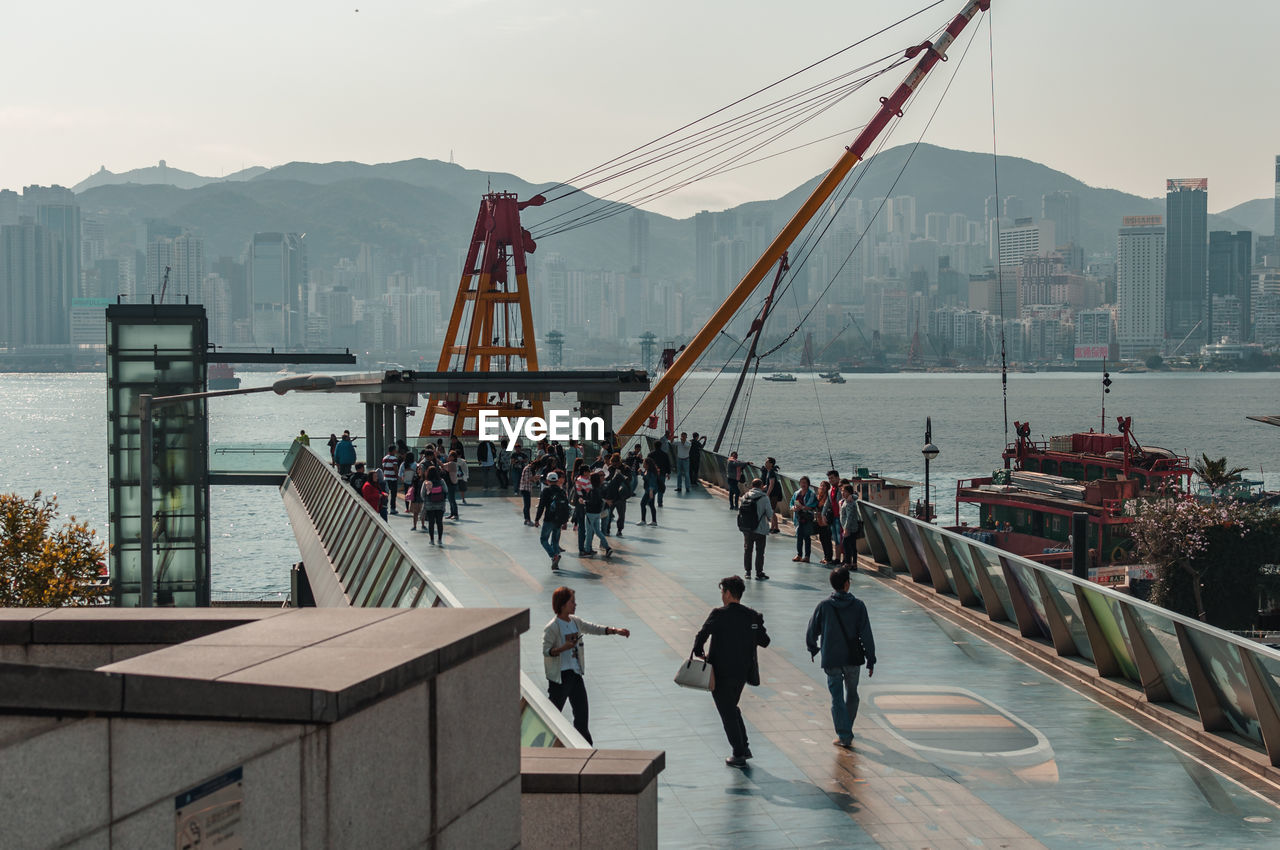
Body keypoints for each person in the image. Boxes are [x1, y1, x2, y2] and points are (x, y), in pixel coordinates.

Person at [693, 575, 771, 767]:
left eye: (722, 592)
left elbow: (701, 635)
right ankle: (744, 746)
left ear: (727, 593)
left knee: (726, 711)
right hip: (743, 672)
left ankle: (739, 753)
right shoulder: (752, 616)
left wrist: (699, 651)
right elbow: (765, 641)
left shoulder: (719, 614)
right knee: (731, 707)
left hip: (720, 672)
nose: (722, 595)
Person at [543, 586, 630, 745]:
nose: (575, 605)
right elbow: (546, 651)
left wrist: (615, 630)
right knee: (551, 717)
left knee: (582, 719)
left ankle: (586, 751)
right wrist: (563, 648)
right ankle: (540, 749)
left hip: (575, 676)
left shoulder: (575, 621)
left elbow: (593, 628)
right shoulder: (552, 627)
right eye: (572, 602)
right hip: (560, 679)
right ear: (562, 604)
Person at [805, 566, 876, 749]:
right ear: (846, 584)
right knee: (852, 694)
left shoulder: (824, 606)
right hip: (853, 658)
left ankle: (843, 734)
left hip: (832, 659)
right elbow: (866, 634)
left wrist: (812, 648)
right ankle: (847, 727)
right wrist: (871, 659)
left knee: (836, 697)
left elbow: (812, 630)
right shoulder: (859, 606)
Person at [738, 478, 773, 581]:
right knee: (760, 551)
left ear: (752, 486)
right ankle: (759, 573)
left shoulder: (745, 496)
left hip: (747, 529)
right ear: (762, 486)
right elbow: (770, 514)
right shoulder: (764, 498)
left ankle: (747, 572)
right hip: (760, 528)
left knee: (748, 550)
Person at [534, 471, 570, 569]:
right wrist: (565, 521)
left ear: (547, 481)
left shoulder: (546, 491)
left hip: (549, 519)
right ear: (557, 480)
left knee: (543, 539)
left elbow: (541, 506)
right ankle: (556, 559)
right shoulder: (561, 491)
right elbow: (566, 506)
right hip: (559, 520)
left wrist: (537, 519)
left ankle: (553, 556)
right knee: (555, 541)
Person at [582, 470, 613, 559]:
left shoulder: (592, 491)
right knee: (598, 531)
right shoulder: (599, 489)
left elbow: (591, 502)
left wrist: (584, 502)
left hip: (590, 513)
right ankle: (607, 547)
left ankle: (587, 550)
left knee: (589, 532)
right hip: (597, 513)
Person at [790, 476, 819, 563]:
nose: (803, 484)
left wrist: (805, 507)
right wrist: (794, 508)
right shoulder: (796, 493)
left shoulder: (811, 494)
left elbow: (814, 505)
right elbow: (791, 503)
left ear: (808, 484)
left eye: (805, 483)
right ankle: (799, 554)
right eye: (802, 482)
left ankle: (807, 556)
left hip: (807, 517)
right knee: (799, 536)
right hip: (798, 518)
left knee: (807, 536)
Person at [603, 455, 632, 537]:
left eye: (614, 464)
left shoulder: (626, 468)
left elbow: (629, 480)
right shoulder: (610, 468)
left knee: (621, 514)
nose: (613, 466)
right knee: (608, 514)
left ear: (619, 462)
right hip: (611, 495)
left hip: (621, 495)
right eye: (612, 464)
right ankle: (607, 529)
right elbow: (607, 479)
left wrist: (621, 476)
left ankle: (619, 530)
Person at [420, 467, 447, 544]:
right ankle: (440, 539)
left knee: (431, 522)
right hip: (440, 505)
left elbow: (422, 494)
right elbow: (446, 490)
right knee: (439, 522)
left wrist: (426, 500)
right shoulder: (441, 481)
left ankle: (432, 540)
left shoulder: (426, 482)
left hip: (429, 505)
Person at [839, 484, 863, 567]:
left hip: (850, 528)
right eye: (842, 491)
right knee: (852, 545)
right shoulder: (847, 500)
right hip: (852, 527)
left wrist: (846, 528)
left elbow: (849, 516)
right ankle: (854, 563)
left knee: (846, 544)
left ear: (849, 493)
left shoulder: (849, 502)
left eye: (845, 491)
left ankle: (848, 563)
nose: (843, 493)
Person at [816, 480, 835, 564]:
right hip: (819, 520)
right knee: (822, 538)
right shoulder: (818, 497)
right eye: (821, 486)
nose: (822, 487)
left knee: (827, 538)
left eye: (824, 486)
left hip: (826, 520)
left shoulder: (828, 497)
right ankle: (826, 556)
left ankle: (829, 557)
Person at [761, 457, 782, 533]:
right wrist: (763, 488)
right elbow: (769, 484)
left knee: (772, 511)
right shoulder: (769, 471)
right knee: (771, 511)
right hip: (772, 494)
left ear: (771, 464)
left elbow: (772, 484)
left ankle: (776, 528)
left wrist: (767, 494)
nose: (765, 464)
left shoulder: (771, 472)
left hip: (773, 494)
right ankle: (772, 527)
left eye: (767, 462)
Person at [637, 457, 660, 526]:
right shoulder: (648, 470)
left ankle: (643, 520)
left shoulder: (651, 472)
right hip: (650, 490)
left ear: (647, 464)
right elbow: (646, 478)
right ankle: (654, 521)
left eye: (644, 463)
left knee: (642, 503)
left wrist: (651, 491)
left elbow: (651, 481)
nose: (643, 465)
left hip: (650, 491)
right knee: (651, 505)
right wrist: (641, 473)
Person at [518, 458, 538, 525]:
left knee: (527, 504)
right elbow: (527, 479)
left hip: (527, 488)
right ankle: (527, 519)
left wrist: (535, 478)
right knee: (527, 505)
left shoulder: (529, 469)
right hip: (525, 488)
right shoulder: (528, 469)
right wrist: (535, 477)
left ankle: (527, 519)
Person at [381, 447, 401, 514]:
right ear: (393, 450)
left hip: (386, 477)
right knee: (393, 494)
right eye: (395, 450)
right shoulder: (394, 459)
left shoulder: (384, 458)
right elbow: (395, 468)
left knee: (386, 493)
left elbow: (383, 468)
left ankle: (384, 507)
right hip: (393, 478)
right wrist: (397, 475)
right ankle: (392, 508)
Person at [442, 451, 461, 519]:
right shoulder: (453, 463)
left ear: (453, 457)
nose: (448, 457)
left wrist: (436, 458)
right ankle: (452, 513)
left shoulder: (452, 463)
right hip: (452, 483)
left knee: (452, 499)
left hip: (451, 483)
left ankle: (455, 514)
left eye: (450, 456)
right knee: (450, 499)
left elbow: (442, 465)